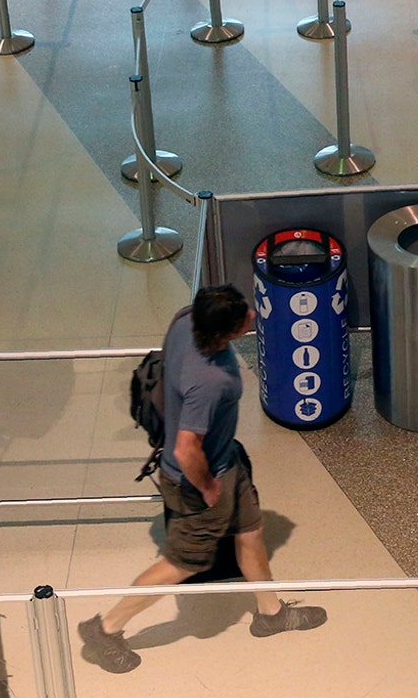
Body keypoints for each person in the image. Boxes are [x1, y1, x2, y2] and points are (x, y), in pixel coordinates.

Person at [76, 285, 327, 673]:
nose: (253, 316)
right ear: (226, 334)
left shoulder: (185, 319)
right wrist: (209, 486)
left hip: (227, 461)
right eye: (245, 316)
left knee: (250, 532)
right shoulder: (211, 380)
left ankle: (270, 613)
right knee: (182, 562)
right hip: (200, 478)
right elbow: (185, 449)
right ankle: (105, 629)